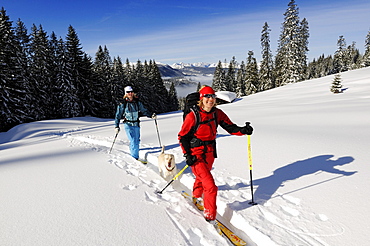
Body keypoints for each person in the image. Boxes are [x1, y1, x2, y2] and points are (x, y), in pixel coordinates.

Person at [178, 85, 253, 224]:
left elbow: (230, 127)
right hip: (196, 154)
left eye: (212, 97)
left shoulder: (217, 113)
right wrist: (187, 155)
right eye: (207, 96)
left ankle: (196, 195)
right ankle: (210, 215)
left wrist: (243, 130)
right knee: (210, 186)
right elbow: (182, 137)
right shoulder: (193, 115)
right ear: (201, 98)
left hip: (210, 153)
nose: (210, 99)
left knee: (202, 177)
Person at [115, 86, 156, 160]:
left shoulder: (137, 102)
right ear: (125, 93)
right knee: (134, 141)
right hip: (128, 124)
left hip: (136, 124)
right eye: (128, 92)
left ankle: (133, 151)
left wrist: (151, 115)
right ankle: (135, 158)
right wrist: (116, 126)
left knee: (136, 140)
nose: (130, 93)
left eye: (131, 92)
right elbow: (118, 115)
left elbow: (144, 110)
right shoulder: (123, 104)